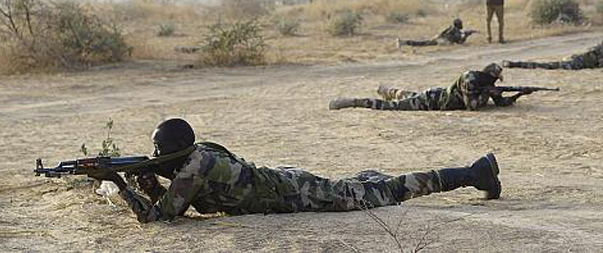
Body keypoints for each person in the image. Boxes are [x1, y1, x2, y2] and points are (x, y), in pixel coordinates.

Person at [87, 119, 502, 223]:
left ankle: (473, 172)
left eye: (160, 154)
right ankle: (367, 178)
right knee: (359, 186)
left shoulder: (196, 166)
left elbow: (160, 217)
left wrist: (119, 184)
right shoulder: (195, 157)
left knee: (387, 193)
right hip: (283, 182)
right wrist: (145, 178)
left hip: (293, 193)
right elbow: (175, 201)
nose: (155, 156)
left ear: (176, 151)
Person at [328, 63, 536, 110]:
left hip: (436, 97)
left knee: (405, 95)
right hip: (434, 100)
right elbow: (471, 105)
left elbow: (502, 103)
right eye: (494, 82)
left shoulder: (486, 85)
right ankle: (353, 102)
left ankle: (387, 90)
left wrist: (519, 94)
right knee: (394, 107)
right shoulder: (470, 79)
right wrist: (488, 93)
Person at [503, 39, 603, 70]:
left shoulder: (595, 50)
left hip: (572, 60)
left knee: (543, 65)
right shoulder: (600, 55)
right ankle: (514, 64)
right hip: (572, 65)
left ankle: (514, 64)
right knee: (543, 66)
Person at [397, 18, 476, 48]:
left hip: (440, 39)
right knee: (422, 43)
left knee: (422, 43)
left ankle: (404, 42)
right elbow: (459, 42)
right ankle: (404, 42)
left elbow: (443, 33)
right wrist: (466, 35)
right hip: (441, 41)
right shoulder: (455, 31)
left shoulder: (452, 28)